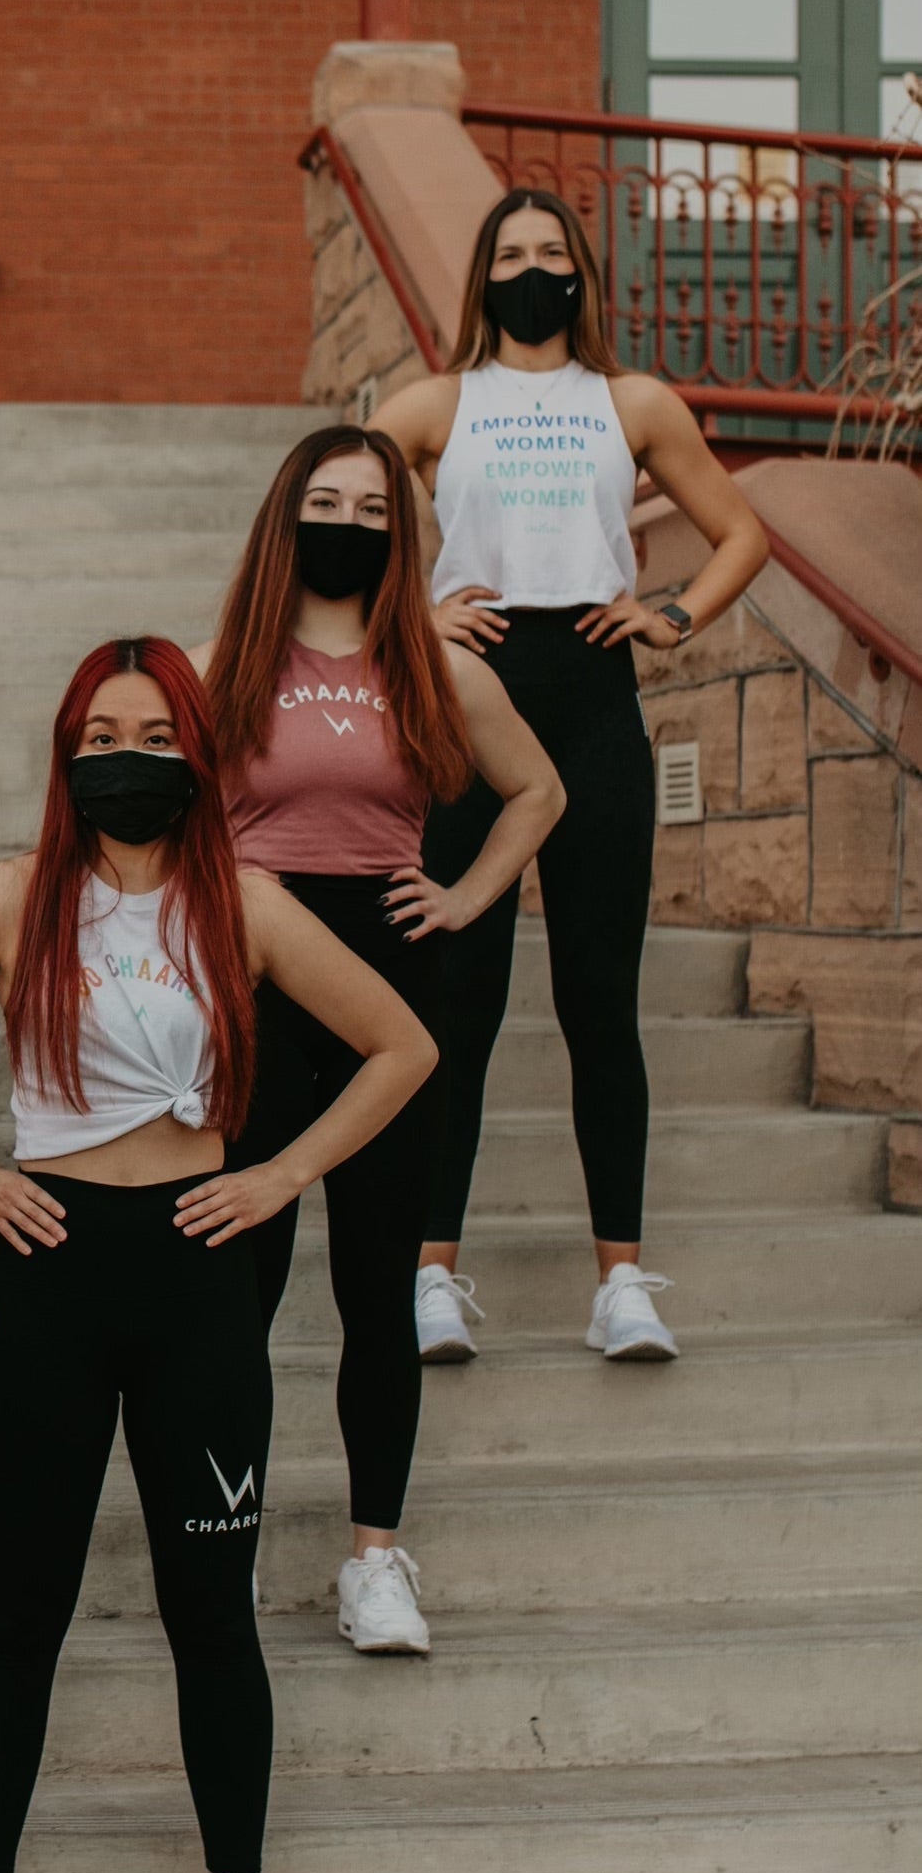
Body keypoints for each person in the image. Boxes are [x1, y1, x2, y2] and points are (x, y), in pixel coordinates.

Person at [0, 639, 434, 1873]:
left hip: (203, 1271)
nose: (128, 750)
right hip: (50, 1265)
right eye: (102, 728)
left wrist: (280, 1172)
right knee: (20, 1607)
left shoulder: (249, 904)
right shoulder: (7, 897)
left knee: (209, 1612)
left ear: (199, 752)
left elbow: (404, 1044)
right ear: (65, 749)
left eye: (156, 729)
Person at [371, 186, 769, 1365]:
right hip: (473, 699)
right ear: (481, 277)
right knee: (458, 1003)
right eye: (510, 253)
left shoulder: (630, 402)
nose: (531, 269)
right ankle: (430, 1277)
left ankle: (620, 1284)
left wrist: (672, 612)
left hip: (594, 695)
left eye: (551, 253)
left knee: (599, 1001)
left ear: (580, 275)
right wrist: (412, 611)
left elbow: (741, 531)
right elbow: (318, 503)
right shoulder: (437, 403)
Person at [200, 428, 562, 1656]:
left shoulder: (433, 666)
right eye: (322, 500)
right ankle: (223, 1536)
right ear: (282, 515)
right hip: (247, 984)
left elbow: (539, 791)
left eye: (369, 505)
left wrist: (464, 896)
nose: (345, 521)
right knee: (234, 1289)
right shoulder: (220, 671)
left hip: (389, 993)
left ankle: (372, 1560)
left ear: (398, 532)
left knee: (374, 1288)